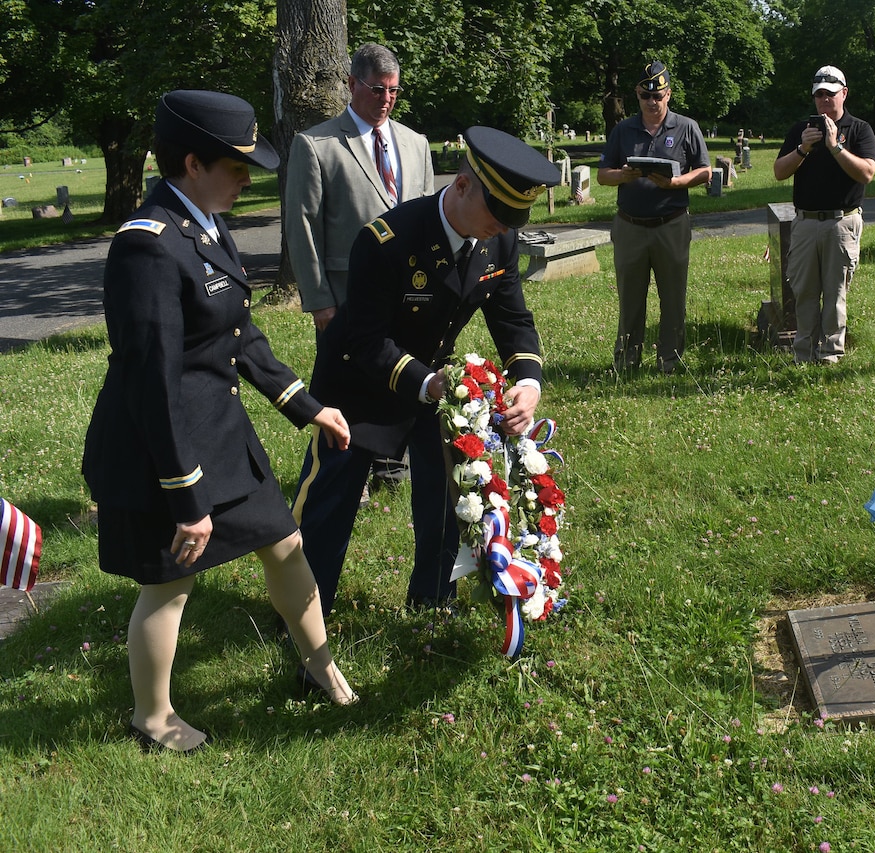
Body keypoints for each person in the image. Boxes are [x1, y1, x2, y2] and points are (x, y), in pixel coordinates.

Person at [82, 90, 358, 754]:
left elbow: (238, 332)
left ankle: (319, 659)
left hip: (222, 429)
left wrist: (305, 403)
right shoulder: (147, 248)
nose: (247, 177)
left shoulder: (205, 219)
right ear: (191, 162)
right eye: (236, 166)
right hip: (162, 446)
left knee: (285, 542)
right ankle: (152, 717)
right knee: (169, 585)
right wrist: (186, 497)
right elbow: (154, 383)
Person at [291, 126, 562, 616]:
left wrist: (527, 381)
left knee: (448, 495)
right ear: (461, 187)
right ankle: (302, 611)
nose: (502, 227)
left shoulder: (497, 242)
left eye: (510, 219)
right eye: (496, 213)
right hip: (359, 383)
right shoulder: (386, 242)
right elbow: (366, 340)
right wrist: (426, 381)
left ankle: (433, 601)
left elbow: (513, 319)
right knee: (330, 504)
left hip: (434, 384)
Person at [285, 42, 435, 489]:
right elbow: (302, 227)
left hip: (407, 290)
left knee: (400, 372)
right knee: (345, 383)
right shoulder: (317, 145)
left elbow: (426, 215)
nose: (386, 99)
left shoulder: (416, 143)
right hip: (344, 295)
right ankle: (342, 471)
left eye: (393, 91)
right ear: (351, 84)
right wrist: (318, 302)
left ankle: (392, 463)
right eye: (376, 90)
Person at [598, 60, 711, 374]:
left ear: (668, 94)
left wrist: (677, 182)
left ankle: (670, 361)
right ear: (637, 94)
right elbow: (602, 176)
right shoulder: (623, 130)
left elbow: (705, 170)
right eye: (646, 96)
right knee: (630, 298)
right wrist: (623, 175)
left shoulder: (686, 127)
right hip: (630, 225)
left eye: (658, 96)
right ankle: (627, 361)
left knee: (673, 297)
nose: (652, 102)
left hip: (671, 224)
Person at [773, 65, 875, 364]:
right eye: (819, 95)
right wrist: (803, 148)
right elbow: (780, 172)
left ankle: (830, 354)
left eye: (830, 95)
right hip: (806, 222)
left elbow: (867, 173)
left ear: (844, 93)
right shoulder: (800, 130)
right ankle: (804, 354)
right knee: (803, 292)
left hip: (841, 222)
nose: (824, 101)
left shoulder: (859, 129)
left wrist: (835, 148)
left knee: (835, 294)